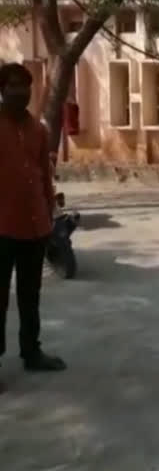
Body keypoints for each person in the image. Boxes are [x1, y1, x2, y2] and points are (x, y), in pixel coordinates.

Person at [0, 63, 67, 393]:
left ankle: (31, 351)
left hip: (34, 226)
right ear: (2, 90)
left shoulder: (38, 130)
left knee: (30, 295)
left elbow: (43, 175)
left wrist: (48, 214)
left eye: (25, 87)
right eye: (12, 86)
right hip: (2, 228)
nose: (20, 93)